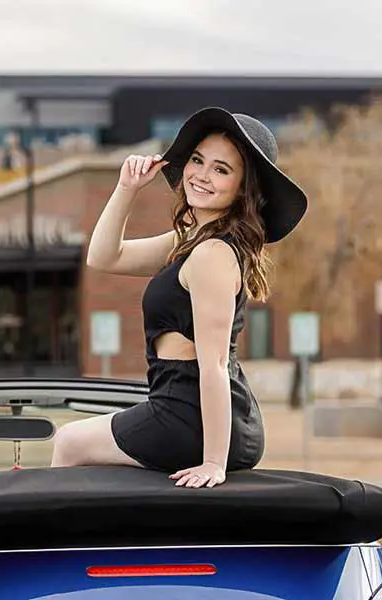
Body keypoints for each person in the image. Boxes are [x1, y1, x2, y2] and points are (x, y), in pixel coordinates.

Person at [50, 107, 308, 488]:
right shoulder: (190, 241)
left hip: (191, 417)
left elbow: (216, 363)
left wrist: (214, 462)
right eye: (198, 160)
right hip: (181, 408)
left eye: (221, 170)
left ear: (243, 189)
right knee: (83, 448)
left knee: (70, 442)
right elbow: (105, 256)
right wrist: (127, 189)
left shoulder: (212, 254)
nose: (202, 175)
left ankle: (61, 547)